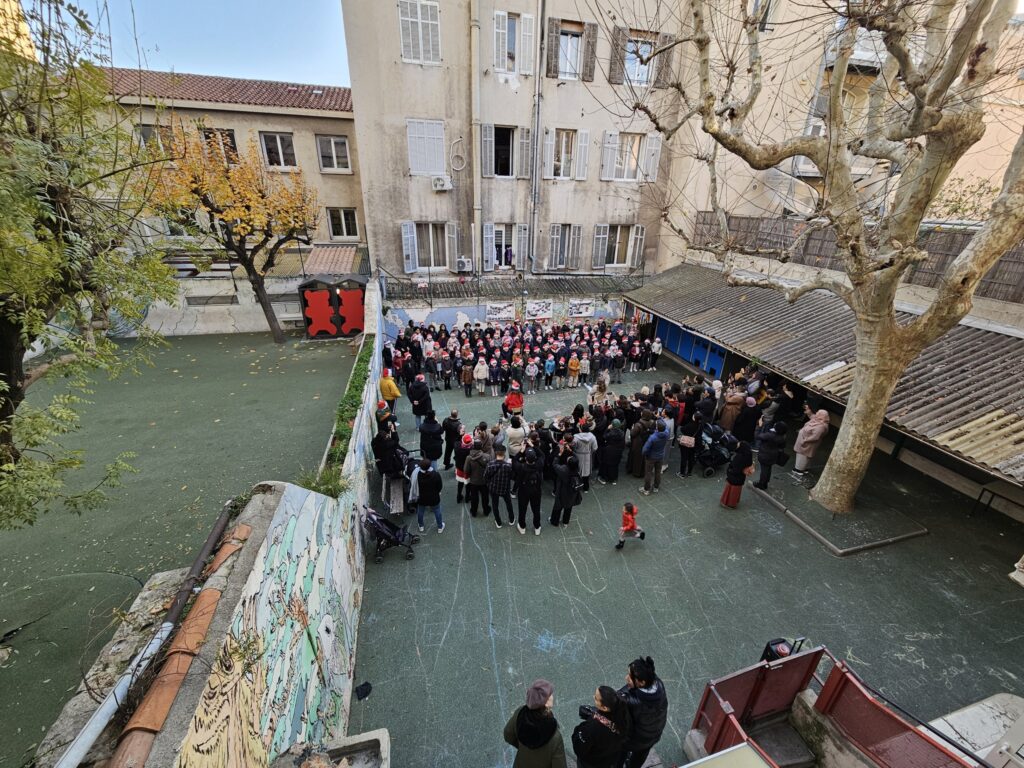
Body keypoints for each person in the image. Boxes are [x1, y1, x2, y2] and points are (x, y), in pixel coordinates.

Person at [617, 656, 669, 768]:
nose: (626, 678)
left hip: (635, 739)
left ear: (641, 682)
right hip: (653, 735)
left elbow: (615, 701)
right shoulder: (658, 685)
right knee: (641, 754)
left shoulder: (633, 702)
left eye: (630, 678)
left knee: (620, 750)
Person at [503, 679, 567, 768]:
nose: (552, 696)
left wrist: (524, 747)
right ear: (546, 703)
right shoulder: (555, 737)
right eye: (550, 694)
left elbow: (508, 734)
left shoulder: (520, 714)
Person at [572, 686, 631, 768]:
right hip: (612, 758)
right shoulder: (625, 714)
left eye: (596, 698)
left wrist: (578, 730)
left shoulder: (592, 727)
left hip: (593, 763)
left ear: (604, 708)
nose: (593, 697)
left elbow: (579, 748)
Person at [792, 409, 830, 478]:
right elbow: (812, 416)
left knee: (803, 457)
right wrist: (809, 412)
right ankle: (804, 468)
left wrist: (805, 440)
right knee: (802, 456)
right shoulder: (817, 420)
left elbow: (815, 437)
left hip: (807, 445)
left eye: (818, 413)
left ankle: (799, 470)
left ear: (822, 416)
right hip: (804, 443)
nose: (816, 414)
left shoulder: (821, 426)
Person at [515, 449, 544, 534]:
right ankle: (537, 527)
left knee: (522, 509)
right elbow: (542, 455)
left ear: (526, 458)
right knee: (536, 509)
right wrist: (533, 446)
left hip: (523, 491)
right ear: (535, 458)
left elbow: (514, 460)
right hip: (536, 491)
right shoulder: (539, 465)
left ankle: (522, 526)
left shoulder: (521, 467)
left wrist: (520, 451)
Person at [485, 446, 515, 528]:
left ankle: (498, 522)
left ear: (495, 453)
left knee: (495, 505)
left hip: (494, 488)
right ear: (504, 453)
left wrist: (489, 485)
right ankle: (511, 519)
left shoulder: (490, 465)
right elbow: (512, 476)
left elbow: (485, 477)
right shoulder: (508, 466)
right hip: (505, 488)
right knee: (508, 503)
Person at [753, 420, 788, 490]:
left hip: (765, 454)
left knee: (764, 470)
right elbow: (782, 446)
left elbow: (757, 436)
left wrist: (759, 427)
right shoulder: (782, 437)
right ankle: (765, 482)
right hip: (774, 455)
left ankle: (762, 484)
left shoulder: (770, 435)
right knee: (768, 468)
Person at [413, 458, 444, 534]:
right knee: (437, 511)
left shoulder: (418, 475)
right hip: (434, 497)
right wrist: (438, 492)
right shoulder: (436, 474)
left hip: (422, 497)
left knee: (420, 511)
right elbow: (440, 486)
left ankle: (421, 526)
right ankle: (440, 527)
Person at [640, 419, 670, 496]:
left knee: (648, 473)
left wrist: (644, 454)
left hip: (651, 457)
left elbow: (645, 449)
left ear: (657, 428)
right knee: (658, 472)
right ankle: (656, 487)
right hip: (660, 456)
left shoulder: (652, 438)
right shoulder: (666, 433)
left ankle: (646, 489)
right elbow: (664, 427)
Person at [721, 440, 754, 509]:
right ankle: (734, 502)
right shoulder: (747, 453)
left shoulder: (740, 458)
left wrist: (729, 471)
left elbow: (735, 470)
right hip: (740, 478)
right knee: (736, 491)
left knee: (732, 492)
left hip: (734, 478)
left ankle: (730, 504)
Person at [550, 454, 581, 528]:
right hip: (572, 493)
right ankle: (565, 522)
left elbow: (555, 465)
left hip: (562, 491)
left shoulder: (564, 469)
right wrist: (571, 452)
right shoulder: (577, 469)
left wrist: (558, 455)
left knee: (557, 507)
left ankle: (554, 521)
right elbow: (576, 459)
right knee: (568, 507)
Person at [465, 440, 492, 518]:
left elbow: (466, 470)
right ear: (481, 446)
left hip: (473, 481)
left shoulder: (469, 458)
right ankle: (486, 510)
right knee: (485, 496)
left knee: (474, 497)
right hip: (484, 481)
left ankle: (474, 511)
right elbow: (489, 469)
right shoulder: (487, 456)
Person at [572, 422, 598, 492]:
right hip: (587, 456)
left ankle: (577, 485)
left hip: (577, 455)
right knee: (586, 471)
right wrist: (590, 451)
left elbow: (573, 446)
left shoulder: (575, 437)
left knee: (578, 470)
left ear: (581, 429)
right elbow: (595, 448)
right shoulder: (592, 437)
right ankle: (586, 488)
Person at [599, 419, 626, 485]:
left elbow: (604, 437)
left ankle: (604, 478)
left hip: (609, 451)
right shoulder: (622, 433)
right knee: (614, 465)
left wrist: (607, 429)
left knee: (606, 465)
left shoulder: (610, 433)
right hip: (617, 451)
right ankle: (613, 479)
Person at [676, 413, 702, 478]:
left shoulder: (690, 425)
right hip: (694, 444)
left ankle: (682, 473)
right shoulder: (700, 425)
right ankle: (689, 472)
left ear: (694, 418)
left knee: (684, 458)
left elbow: (683, 429)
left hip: (685, 444)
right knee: (691, 458)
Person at [454, 433, 473, 504]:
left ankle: (458, 496)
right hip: (468, 470)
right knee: (468, 484)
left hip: (460, 469)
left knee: (460, 483)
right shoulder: (471, 451)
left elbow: (456, 441)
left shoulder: (457, 447)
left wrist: (460, 434)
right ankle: (467, 497)